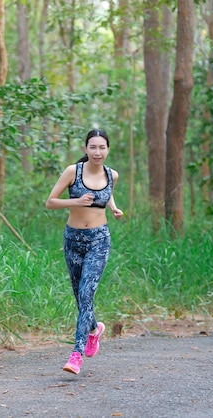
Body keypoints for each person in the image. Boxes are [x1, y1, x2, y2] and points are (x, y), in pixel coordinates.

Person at [45, 128, 124, 375]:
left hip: (99, 239)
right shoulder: (73, 172)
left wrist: (113, 208)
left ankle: (76, 354)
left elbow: (107, 194)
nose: (97, 152)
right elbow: (50, 202)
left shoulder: (112, 175)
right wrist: (75, 202)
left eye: (102, 147)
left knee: (86, 292)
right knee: (80, 296)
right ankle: (93, 329)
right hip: (73, 239)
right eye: (93, 147)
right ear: (85, 149)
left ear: (108, 149)